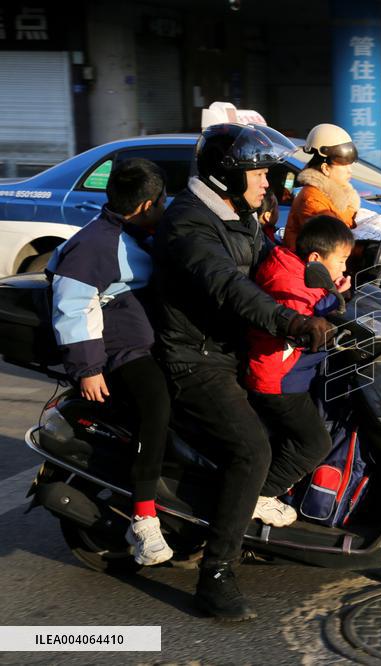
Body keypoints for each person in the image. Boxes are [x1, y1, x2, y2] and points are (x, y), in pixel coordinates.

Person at [154, 123, 334, 622]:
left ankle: (240, 512)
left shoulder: (240, 214)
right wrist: (291, 322)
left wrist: (339, 272)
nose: (267, 183)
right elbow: (230, 287)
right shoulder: (189, 224)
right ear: (226, 177)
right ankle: (215, 575)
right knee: (251, 448)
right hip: (195, 359)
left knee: (307, 432)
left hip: (234, 350)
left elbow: (277, 263)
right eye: (258, 173)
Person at [48, 158, 173, 567]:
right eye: (161, 202)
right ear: (145, 205)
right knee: (155, 406)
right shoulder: (97, 243)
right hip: (120, 348)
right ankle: (144, 518)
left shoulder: (132, 231)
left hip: (142, 337)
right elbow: (72, 306)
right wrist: (89, 368)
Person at [244, 215, 354, 498]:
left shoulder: (297, 269)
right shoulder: (286, 282)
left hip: (293, 373)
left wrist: (333, 293)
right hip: (277, 380)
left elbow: (314, 298)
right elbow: (303, 312)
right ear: (316, 257)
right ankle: (260, 497)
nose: (344, 267)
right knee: (316, 444)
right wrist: (334, 301)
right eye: (341, 260)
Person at [284, 124, 360, 251]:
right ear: (325, 169)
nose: (349, 171)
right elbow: (333, 238)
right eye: (344, 166)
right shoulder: (312, 198)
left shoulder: (330, 194)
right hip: (309, 266)